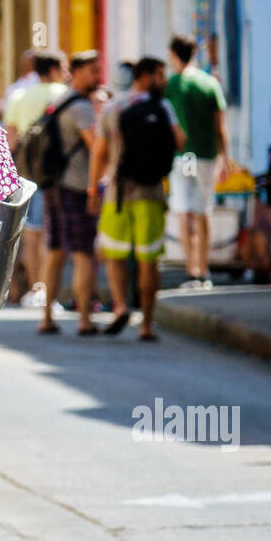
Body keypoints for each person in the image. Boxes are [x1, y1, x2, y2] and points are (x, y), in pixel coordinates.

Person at [89, 56, 184, 341]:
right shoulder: (163, 108)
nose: (163, 81)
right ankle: (147, 324)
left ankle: (119, 307)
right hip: (151, 191)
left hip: (118, 191)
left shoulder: (113, 107)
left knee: (114, 255)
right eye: (159, 75)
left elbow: (100, 152)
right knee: (148, 259)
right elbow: (180, 140)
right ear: (145, 76)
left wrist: (93, 189)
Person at [40, 50, 101, 336]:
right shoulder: (81, 107)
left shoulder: (58, 100)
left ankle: (47, 316)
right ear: (76, 72)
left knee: (55, 252)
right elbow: (96, 146)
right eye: (91, 71)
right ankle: (85, 319)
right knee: (82, 253)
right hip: (76, 187)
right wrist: (96, 186)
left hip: (53, 186)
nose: (97, 76)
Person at [165, 34, 229, 289]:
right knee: (203, 211)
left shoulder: (172, 84)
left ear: (173, 55)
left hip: (182, 157)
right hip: (205, 156)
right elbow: (220, 126)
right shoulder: (210, 83)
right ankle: (203, 269)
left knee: (184, 212)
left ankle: (191, 270)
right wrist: (226, 157)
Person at [4, 50, 67, 304]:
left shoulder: (19, 96)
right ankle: (49, 292)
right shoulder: (65, 96)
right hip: (59, 175)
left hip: (27, 173)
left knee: (31, 234)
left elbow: (10, 138)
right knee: (52, 235)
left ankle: (36, 288)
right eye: (63, 68)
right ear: (53, 70)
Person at [0, 47, 38, 117]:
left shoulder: (37, 80)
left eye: (30, 61)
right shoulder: (16, 84)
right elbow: (2, 106)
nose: (25, 64)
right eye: (24, 61)